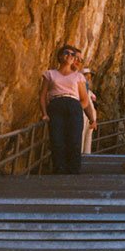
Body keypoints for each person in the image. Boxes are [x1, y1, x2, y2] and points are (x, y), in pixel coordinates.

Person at [40, 45, 97, 174]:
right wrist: (44, 113)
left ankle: (73, 171)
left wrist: (79, 111)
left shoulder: (78, 77)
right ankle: (59, 170)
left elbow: (84, 99)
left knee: (74, 140)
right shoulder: (50, 74)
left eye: (73, 55)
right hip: (56, 104)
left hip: (73, 104)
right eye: (67, 53)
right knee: (57, 139)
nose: (70, 56)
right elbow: (42, 95)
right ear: (60, 56)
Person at [80, 67, 97, 155]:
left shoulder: (89, 90)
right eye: (86, 75)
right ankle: (79, 156)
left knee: (88, 136)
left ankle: (87, 155)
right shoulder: (80, 87)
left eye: (90, 76)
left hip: (90, 115)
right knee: (81, 135)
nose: (88, 78)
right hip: (83, 114)